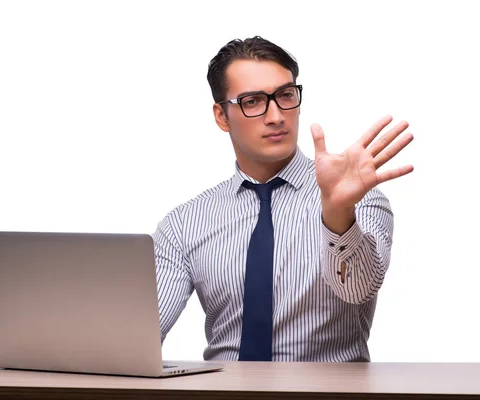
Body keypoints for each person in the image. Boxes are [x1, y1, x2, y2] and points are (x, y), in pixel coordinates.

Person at [153, 36, 413, 362]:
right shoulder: (184, 224)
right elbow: (138, 336)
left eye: (285, 95)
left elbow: (359, 288)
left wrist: (337, 213)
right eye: (252, 101)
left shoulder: (360, 199)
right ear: (221, 116)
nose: (276, 116)